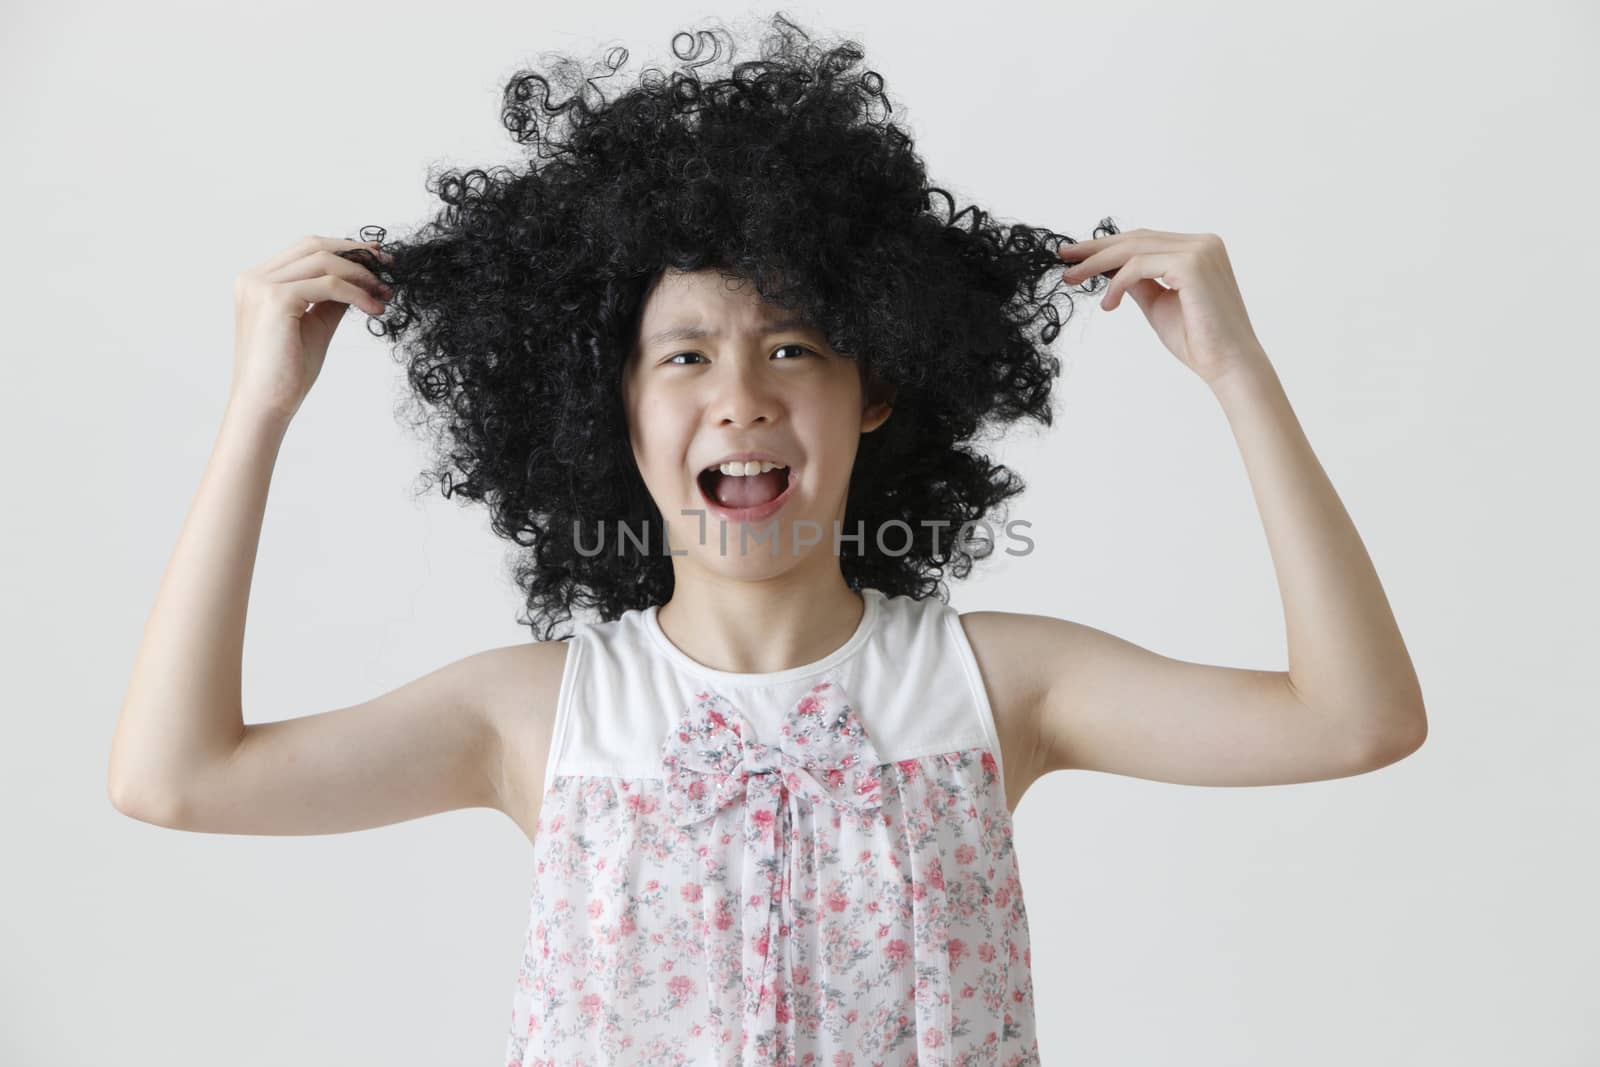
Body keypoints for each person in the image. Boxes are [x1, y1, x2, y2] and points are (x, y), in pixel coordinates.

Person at [107, 13, 1428, 1065]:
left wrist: (1239, 375)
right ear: (610, 408)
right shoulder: (541, 715)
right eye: (683, 355)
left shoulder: (989, 689)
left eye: (792, 346)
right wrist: (258, 413)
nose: (741, 392)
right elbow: (175, 779)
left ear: (878, 390)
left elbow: (1355, 721)